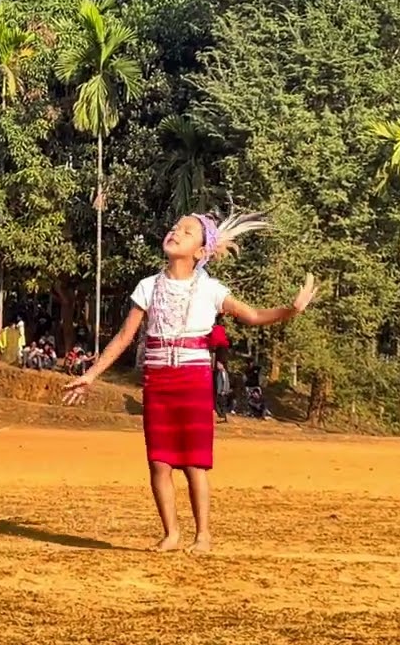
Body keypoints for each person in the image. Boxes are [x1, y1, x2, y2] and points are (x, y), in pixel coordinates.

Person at [63, 212, 316, 553]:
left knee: (194, 464)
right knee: (159, 462)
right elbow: (124, 337)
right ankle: (171, 534)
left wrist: (290, 310)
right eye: (174, 227)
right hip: (157, 382)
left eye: (187, 231)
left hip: (194, 382)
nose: (175, 232)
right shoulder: (147, 286)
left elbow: (254, 315)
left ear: (200, 252)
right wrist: (91, 375)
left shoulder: (211, 290)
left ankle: (203, 536)